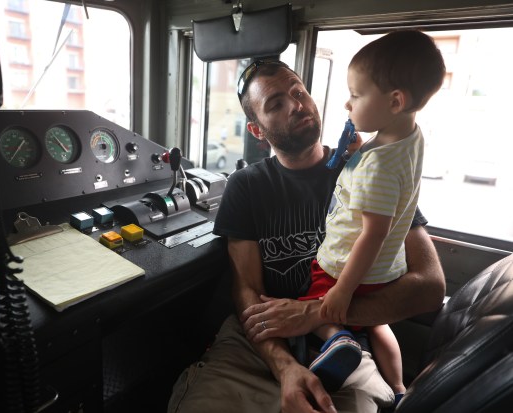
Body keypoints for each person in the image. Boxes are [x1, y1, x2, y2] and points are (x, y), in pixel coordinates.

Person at [168, 55, 445, 413]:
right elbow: (247, 289)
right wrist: (285, 368)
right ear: (256, 130)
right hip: (260, 342)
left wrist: (317, 314)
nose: (297, 105)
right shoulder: (246, 186)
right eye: (276, 103)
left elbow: (430, 287)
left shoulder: (369, 173)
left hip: (346, 342)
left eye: (299, 92)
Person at [297, 29, 447, 404]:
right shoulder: (409, 138)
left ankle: (337, 338)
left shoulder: (376, 168)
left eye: (356, 95)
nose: (348, 105)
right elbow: (387, 175)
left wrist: (341, 291)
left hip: (347, 265)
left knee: (317, 302)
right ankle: (400, 389)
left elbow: (371, 233)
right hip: (386, 270)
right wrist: (359, 150)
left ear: (395, 101)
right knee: (378, 322)